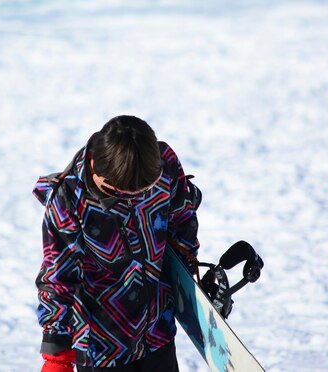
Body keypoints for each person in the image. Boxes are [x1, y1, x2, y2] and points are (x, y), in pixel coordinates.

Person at [32, 115, 201, 371]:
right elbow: (58, 279)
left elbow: (181, 220)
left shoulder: (164, 163)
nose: (129, 199)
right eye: (114, 194)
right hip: (102, 348)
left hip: (157, 333)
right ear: (93, 165)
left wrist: (190, 274)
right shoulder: (68, 200)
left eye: (143, 192)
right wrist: (57, 352)